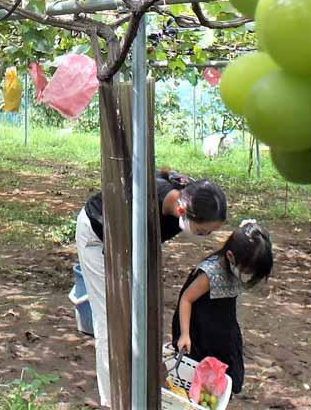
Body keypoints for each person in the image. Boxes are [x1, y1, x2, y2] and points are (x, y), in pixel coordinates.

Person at [75, 170, 229, 408]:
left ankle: (135, 379)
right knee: (110, 320)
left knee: (134, 314)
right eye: (203, 232)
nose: (205, 237)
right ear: (182, 211)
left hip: (124, 245)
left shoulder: (181, 201)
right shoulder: (146, 204)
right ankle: (110, 400)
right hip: (97, 237)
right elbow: (125, 247)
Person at [172, 219, 274, 395]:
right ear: (230, 257)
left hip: (223, 324)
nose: (250, 279)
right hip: (199, 328)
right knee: (198, 373)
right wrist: (185, 335)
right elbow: (186, 300)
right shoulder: (210, 273)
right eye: (249, 273)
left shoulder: (242, 258)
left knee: (226, 373)